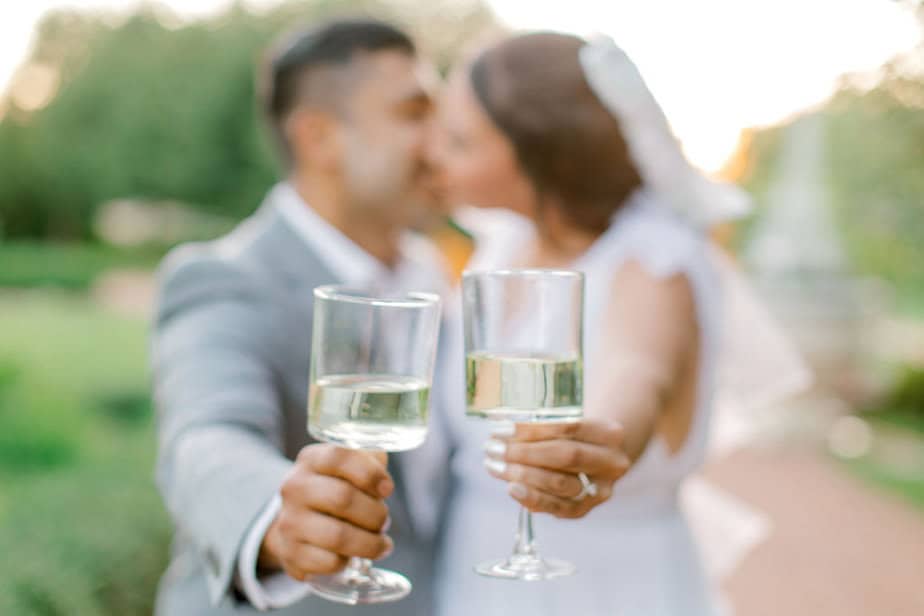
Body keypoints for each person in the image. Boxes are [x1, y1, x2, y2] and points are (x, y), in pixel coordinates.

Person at [425, 31, 806, 615]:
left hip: (603, 586)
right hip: (476, 573)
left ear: (534, 153)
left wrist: (592, 446)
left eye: (457, 141)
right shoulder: (501, 248)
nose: (432, 154)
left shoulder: (655, 260)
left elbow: (638, 373)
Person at [150, 18, 449, 615]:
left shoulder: (434, 272)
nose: (443, 141)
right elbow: (205, 440)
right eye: (415, 113)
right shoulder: (224, 276)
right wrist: (277, 515)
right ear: (319, 139)